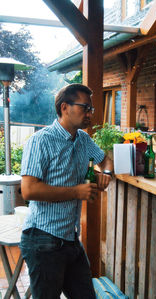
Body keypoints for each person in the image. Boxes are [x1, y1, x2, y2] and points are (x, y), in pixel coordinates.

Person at [20, 83, 113, 299]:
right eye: (85, 107)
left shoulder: (84, 140)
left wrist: (105, 174)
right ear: (65, 107)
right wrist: (76, 192)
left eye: (91, 109)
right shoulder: (40, 140)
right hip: (42, 240)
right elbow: (28, 189)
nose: (90, 113)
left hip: (70, 239)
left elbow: (106, 161)